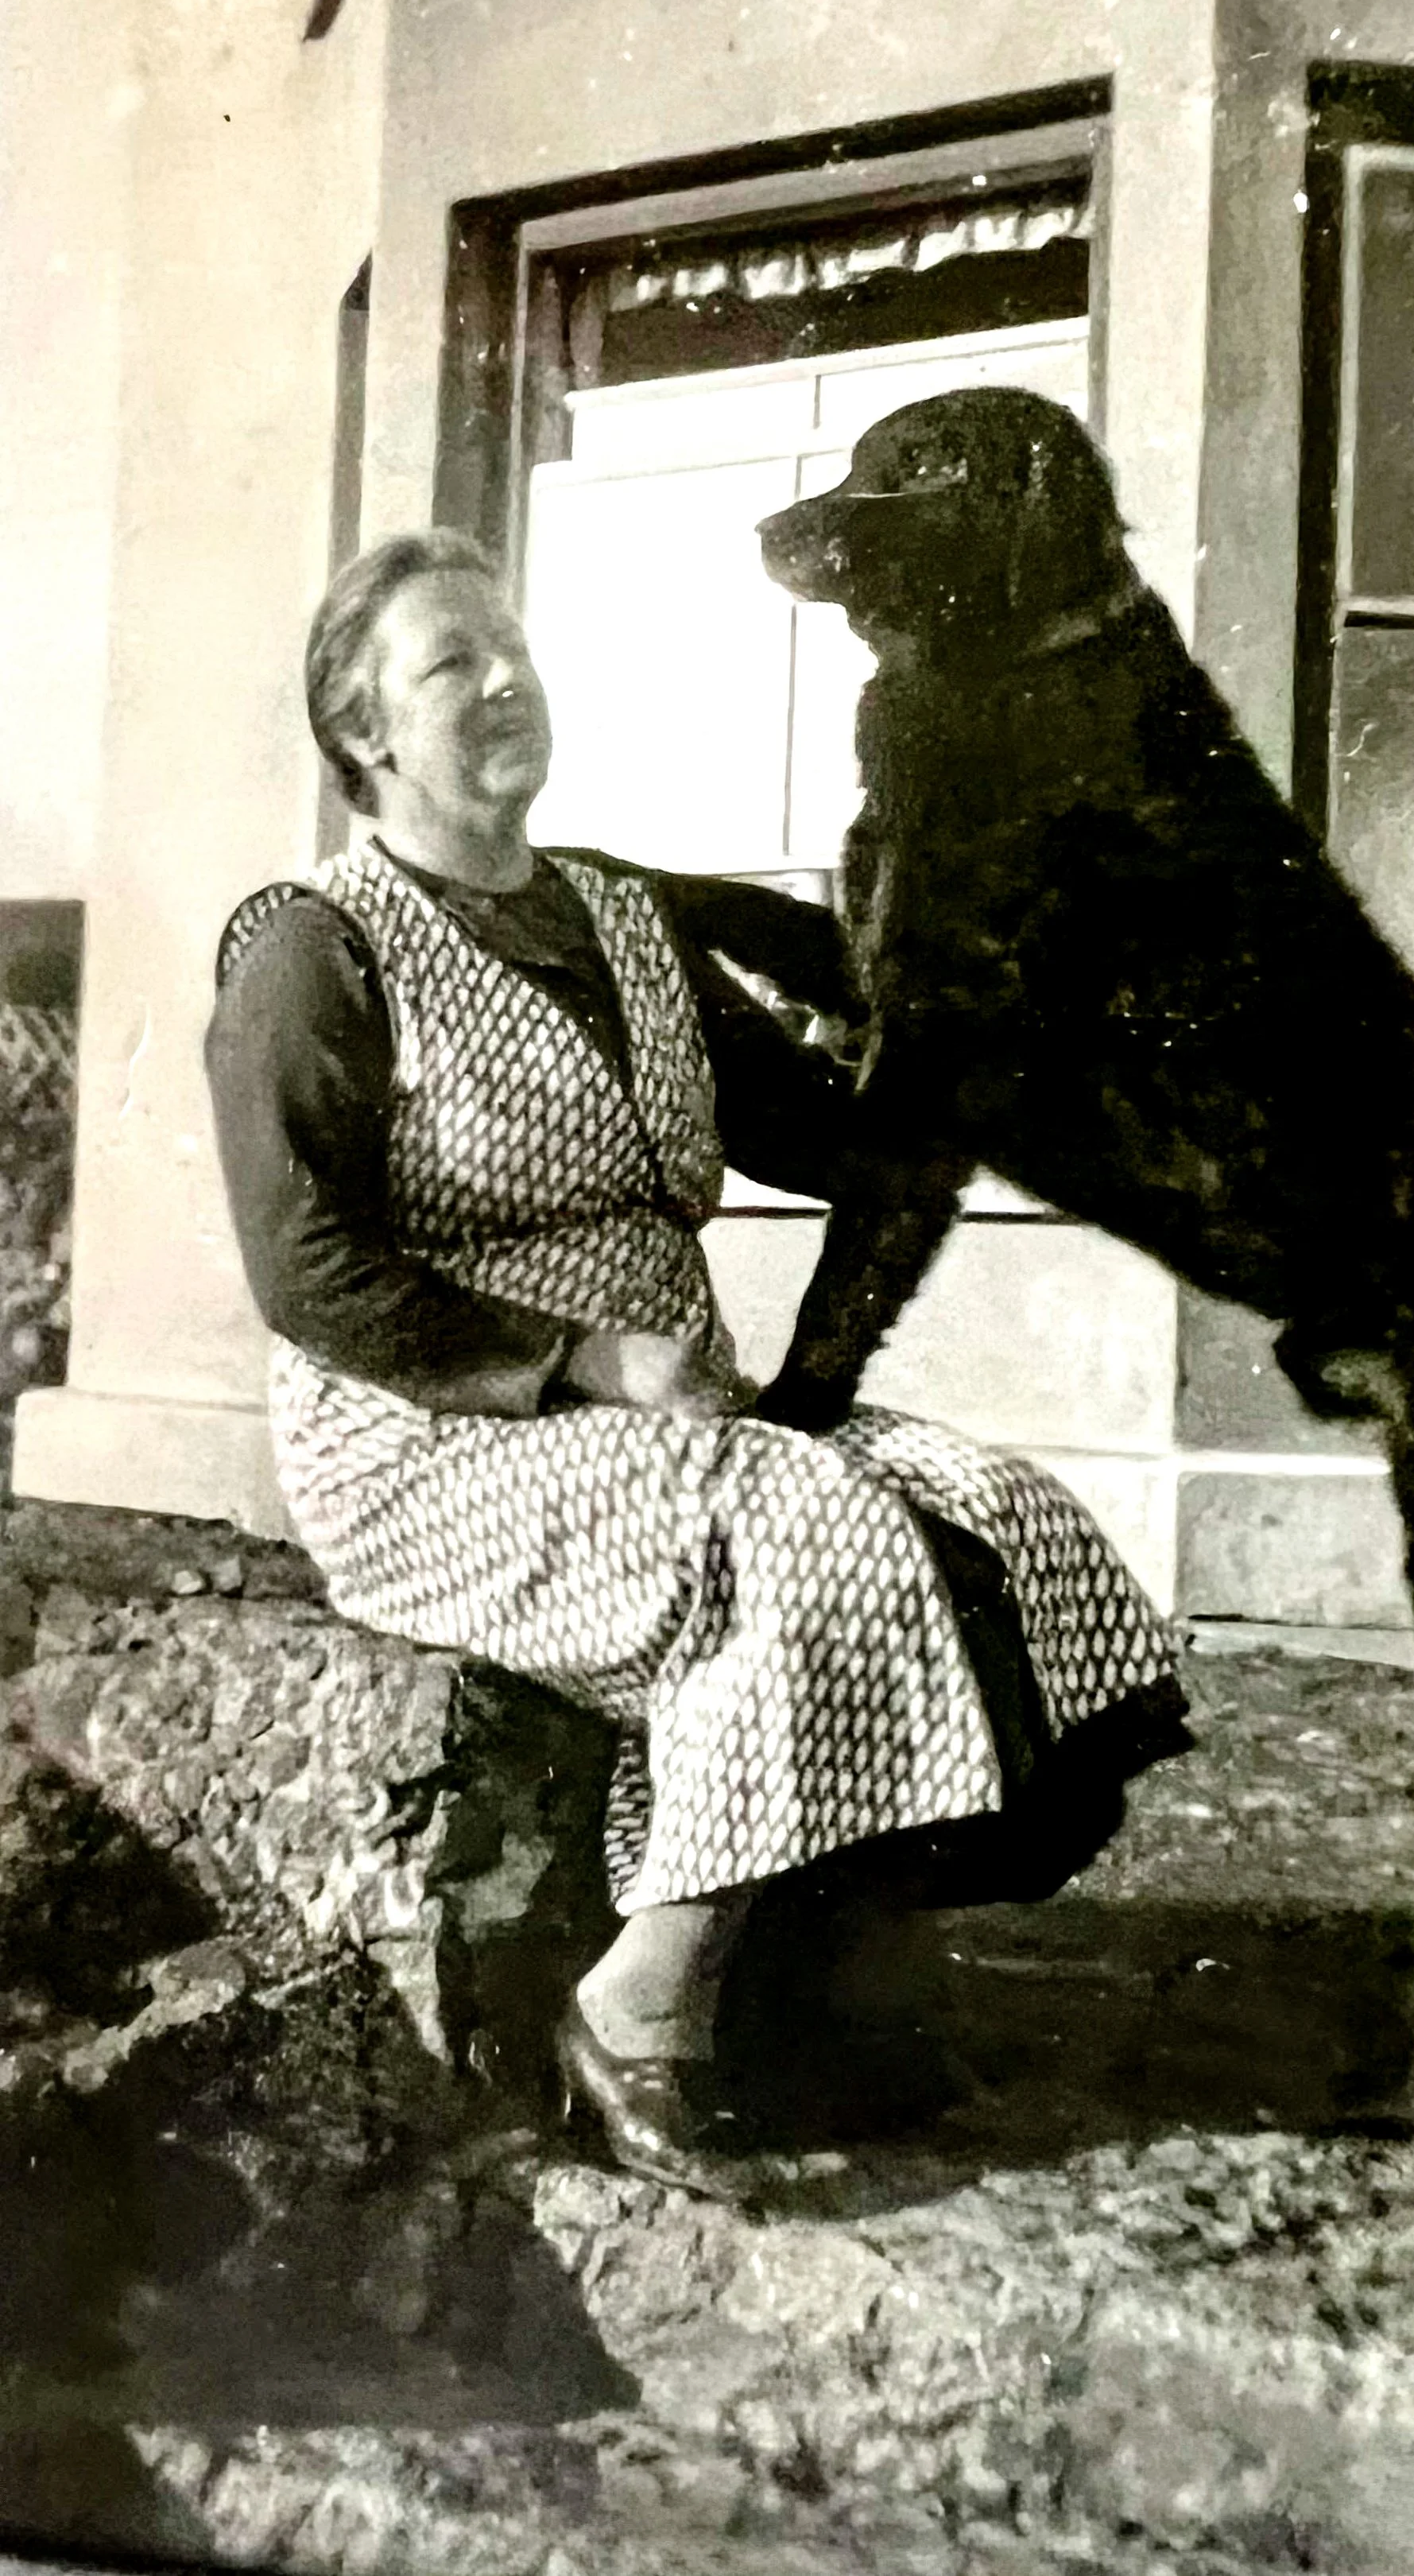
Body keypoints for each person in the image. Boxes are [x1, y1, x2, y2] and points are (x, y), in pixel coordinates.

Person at [204, 527, 1187, 2186]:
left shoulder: (619, 917)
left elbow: (816, 1126)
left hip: (667, 1409)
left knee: (1004, 1518)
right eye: (452, 663)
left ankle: (832, 1968)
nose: (505, 679)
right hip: (430, 1430)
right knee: (810, 1540)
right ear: (366, 733)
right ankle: (642, 2002)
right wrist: (578, 1356)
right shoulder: (317, 950)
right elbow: (307, 1274)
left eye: (512, 645)